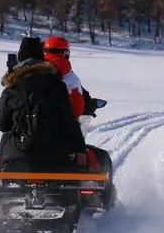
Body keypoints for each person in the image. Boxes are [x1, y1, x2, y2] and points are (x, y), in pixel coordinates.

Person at [0, 36, 87, 172]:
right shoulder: (57, 85)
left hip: (17, 157)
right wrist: (80, 150)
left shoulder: (11, 88)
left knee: (8, 134)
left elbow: (0, 124)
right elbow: (69, 121)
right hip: (54, 157)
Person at [43, 36, 115, 208]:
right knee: (100, 158)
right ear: (66, 53)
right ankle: (102, 204)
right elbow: (77, 108)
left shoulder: (25, 75)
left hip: (26, 142)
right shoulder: (70, 78)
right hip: (62, 142)